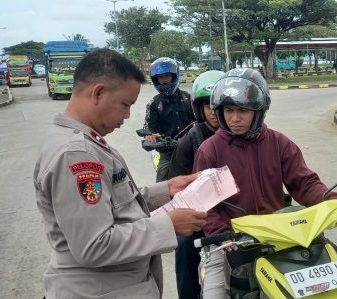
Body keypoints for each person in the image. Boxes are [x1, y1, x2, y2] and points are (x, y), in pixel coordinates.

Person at [33, 48, 207, 299]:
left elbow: (114, 204)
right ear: (98, 92)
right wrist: (168, 225)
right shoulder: (76, 154)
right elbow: (94, 245)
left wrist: (167, 189)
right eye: (125, 105)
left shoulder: (83, 142)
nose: (126, 116)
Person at [193, 68, 337, 298]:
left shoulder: (278, 143)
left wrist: (335, 202)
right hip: (231, 240)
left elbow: (305, 183)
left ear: (259, 111)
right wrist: (222, 232)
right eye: (229, 110)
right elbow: (206, 204)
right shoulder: (210, 150)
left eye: (243, 110)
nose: (235, 118)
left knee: (330, 268)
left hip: (280, 235)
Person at [167, 70, 224, 299]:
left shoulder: (248, 135)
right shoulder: (190, 140)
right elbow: (176, 190)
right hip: (202, 214)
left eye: (218, 105)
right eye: (207, 106)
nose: (214, 112)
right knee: (184, 245)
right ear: (198, 108)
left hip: (239, 212)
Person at [143, 57, 195, 182]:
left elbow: (200, 120)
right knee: (161, 187)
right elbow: (148, 128)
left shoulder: (189, 99)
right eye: (160, 78)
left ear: (174, 76)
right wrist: (150, 136)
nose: (164, 80)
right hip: (168, 153)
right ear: (156, 80)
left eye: (167, 76)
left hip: (192, 148)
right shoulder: (154, 104)